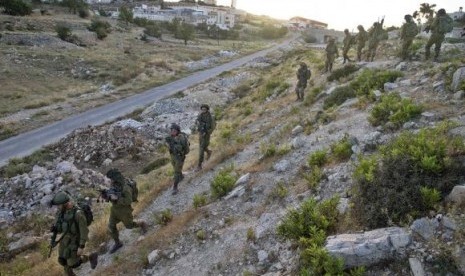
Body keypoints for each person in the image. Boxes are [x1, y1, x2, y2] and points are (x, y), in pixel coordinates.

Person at [50, 191, 98, 276]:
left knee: (74, 263)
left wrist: (81, 246)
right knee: (62, 260)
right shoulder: (61, 213)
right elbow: (61, 229)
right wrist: (55, 228)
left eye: (59, 205)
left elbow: (84, 231)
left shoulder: (78, 214)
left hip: (75, 240)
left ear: (65, 204)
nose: (58, 207)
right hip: (65, 240)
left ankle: (90, 256)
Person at [105, 169, 147, 254]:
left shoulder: (126, 187)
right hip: (115, 209)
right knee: (111, 226)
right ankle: (118, 243)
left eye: (111, 178)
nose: (110, 181)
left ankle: (142, 223)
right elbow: (111, 193)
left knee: (129, 226)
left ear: (115, 178)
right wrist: (107, 195)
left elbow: (128, 201)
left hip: (124, 210)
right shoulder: (115, 184)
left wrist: (117, 198)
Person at [165, 123, 189, 195]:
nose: (172, 132)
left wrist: (182, 154)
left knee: (176, 172)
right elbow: (166, 141)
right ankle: (181, 176)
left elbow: (186, 150)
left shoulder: (182, 138)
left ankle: (175, 187)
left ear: (177, 131)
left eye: (174, 130)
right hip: (173, 157)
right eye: (171, 130)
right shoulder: (170, 137)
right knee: (176, 169)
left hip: (179, 157)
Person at [195, 104, 214, 170]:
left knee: (201, 149)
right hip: (201, 134)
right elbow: (196, 121)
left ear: (207, 109)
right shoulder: (200, 115)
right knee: (202, 147)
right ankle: (209, 152)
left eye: (204, 109)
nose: (203, 110)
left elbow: (212, 127)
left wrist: (207, 132)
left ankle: (199, 165)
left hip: (206, 135)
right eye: (202, 109)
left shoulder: (210, 117)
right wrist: (198, 124)